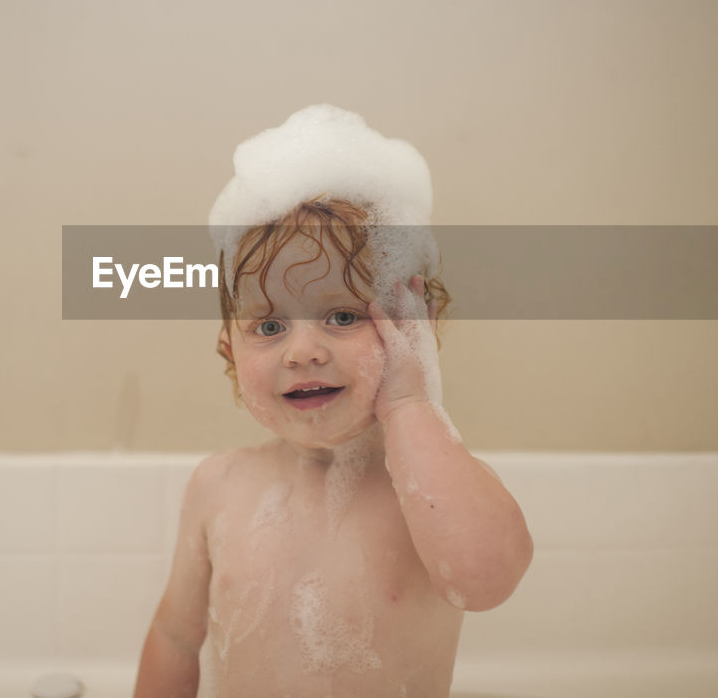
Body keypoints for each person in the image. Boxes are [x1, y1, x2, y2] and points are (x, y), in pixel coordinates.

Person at [133, 108, 532, 698]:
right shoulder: (217, 484)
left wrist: (408, 405)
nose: (303, 350)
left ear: (408, 331)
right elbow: (175, 637)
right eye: (269, 328)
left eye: (342, 316)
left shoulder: (429, 489)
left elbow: (487, 582)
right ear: (229, 349)